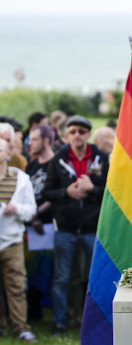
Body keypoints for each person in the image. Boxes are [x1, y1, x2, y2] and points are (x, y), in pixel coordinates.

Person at [42, 115, 109, 335]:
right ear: (65, 135)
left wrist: (92, 189)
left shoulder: (101, 158)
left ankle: (89, 319)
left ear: (89, 134)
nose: (77, 135)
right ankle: (60, 322)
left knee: (93, 278)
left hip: (92, 229)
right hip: (66, 229)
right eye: (72, 131)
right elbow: (47, 192)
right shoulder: (58, 159)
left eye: (81, 131)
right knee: (62, 278)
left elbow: (112, 191)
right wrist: (66, 192)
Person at [0, 138, 37, 342]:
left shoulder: (21, 178)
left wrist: (17, 209)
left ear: (7, 154)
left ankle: (21, 327)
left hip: (12, 240)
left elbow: (31, 209)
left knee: (15, 284)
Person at [25, 124, 55, 322]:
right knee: (31, 270)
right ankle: (34, 314)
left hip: (50, 227)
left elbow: (56, 195)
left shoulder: (56, 163)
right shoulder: (31, 165)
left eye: (34, 139)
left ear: (46, 140)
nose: (29, 143)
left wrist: (37, 213)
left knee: (50, 271)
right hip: (31, 227)